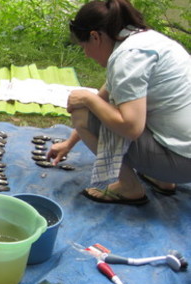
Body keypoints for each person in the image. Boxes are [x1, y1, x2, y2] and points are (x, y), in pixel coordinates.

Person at [47, 0, 191, 205]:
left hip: (182, 161)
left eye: (84, 46)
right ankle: (163, 179)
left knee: (82, 110)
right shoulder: (145, 41)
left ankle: (129, 187)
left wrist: (86, 98)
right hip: (184, 151)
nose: (86, 54)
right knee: (105, 108)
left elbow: (131, 128)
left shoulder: (127, 59)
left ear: (95, 36)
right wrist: (69, 143)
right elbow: (103, 101)